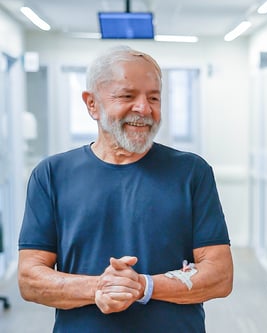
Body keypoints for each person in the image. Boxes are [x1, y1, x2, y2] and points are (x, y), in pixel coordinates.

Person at [17, 46, 233, 333]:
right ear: (91, 103)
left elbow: (220, 275)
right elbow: (30, 279)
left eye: (153, 98)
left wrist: (144, 285)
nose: (144, 109)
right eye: (127, 96)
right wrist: (99, 287)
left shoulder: (192, 172)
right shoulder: (52, 175)